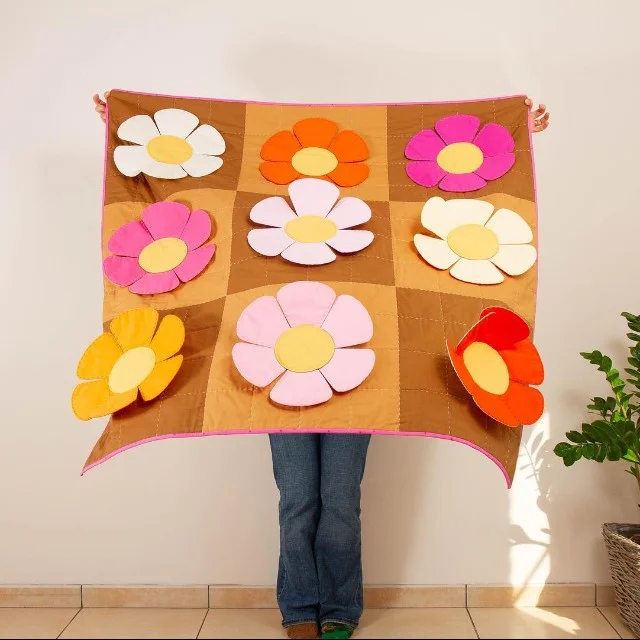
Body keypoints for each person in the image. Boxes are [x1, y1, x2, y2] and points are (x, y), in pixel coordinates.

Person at [93, 92, 549, 640]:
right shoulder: (269, 218)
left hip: (356, 376)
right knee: (298, 499)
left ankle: (339, 607)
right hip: (277, 375)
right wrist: (125, 125)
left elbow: (432, 190)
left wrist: (518, 130)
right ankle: (297, 607)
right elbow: (207, 187)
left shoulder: (362, 216)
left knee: (340, 500)